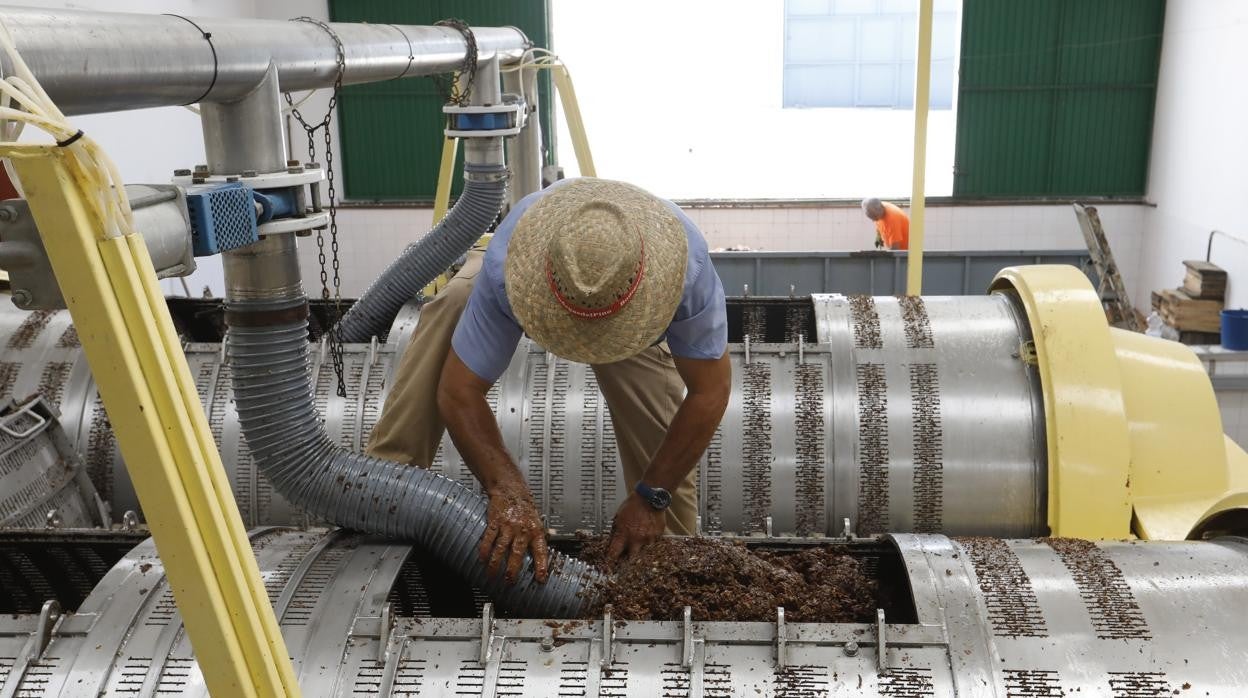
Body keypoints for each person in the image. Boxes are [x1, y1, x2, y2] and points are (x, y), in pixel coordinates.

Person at [367, 178, 730, 584]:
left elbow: (709, 392)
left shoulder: (686, 269)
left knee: (662, 475)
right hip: (530, 271)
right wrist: (508, 492)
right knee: (451, 306)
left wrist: (653, 496)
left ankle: (670, 564)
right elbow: (457, 392)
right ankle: (386, 489)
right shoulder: (509, 264)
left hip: (632, 309)